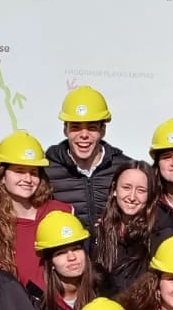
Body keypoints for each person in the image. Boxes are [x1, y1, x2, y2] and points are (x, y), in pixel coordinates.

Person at [0, 130, 72, 293]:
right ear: (2, 177)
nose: (28, 179)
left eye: (33, 172)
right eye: (19, 171)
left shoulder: (60, 213)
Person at [43, 86, 134, 230]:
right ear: (65, 130)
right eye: (75, 127)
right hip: (69, 252)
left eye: (91, 127)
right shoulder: (46, 171)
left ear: (103, 130)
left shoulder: (126, 168)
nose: (84, 135)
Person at [90, 160, 173, 298]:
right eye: (126, 187)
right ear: (114, 190)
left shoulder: (163, 234)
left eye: (141, 190)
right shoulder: (101, 231)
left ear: (150, 195)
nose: (132, 197)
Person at [30, 210, 97, 310]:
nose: (72, 257)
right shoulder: (38, 302)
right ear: (50, 262)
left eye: (76, 249)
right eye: (61, 253)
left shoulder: (102, 285)